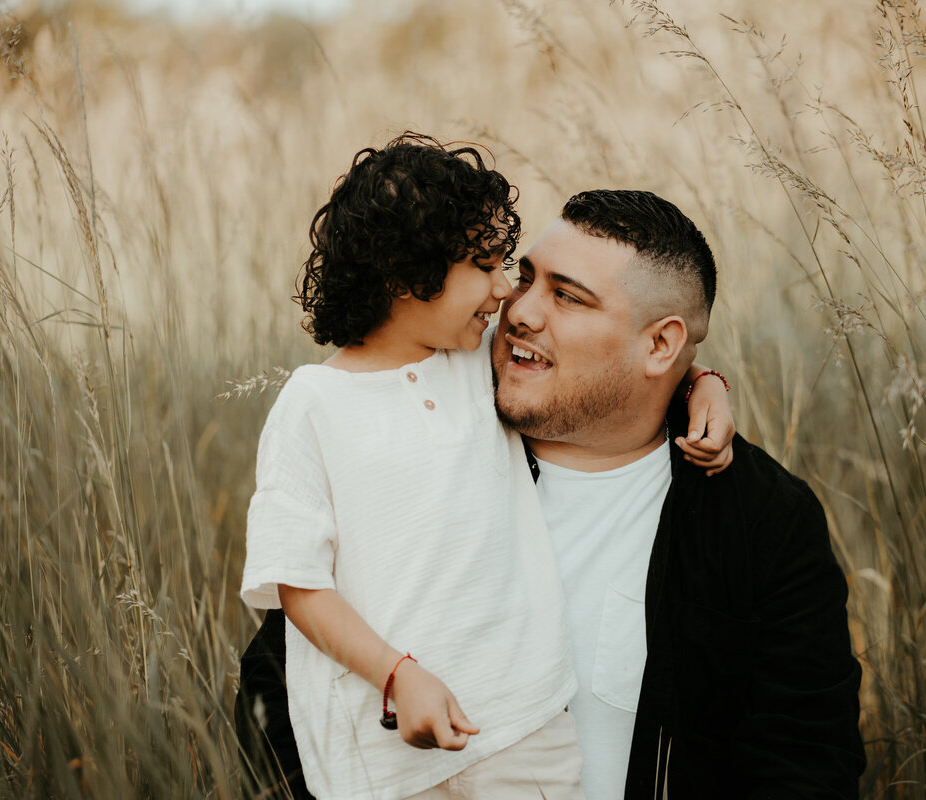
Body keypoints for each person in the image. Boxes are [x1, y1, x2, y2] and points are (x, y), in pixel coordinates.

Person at [236, 136, 734, 800]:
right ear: (402, 273)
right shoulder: (313, 406)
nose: (506, 295)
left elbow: (612, 361)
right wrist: (394, 674)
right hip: (383, 763)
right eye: (485, 265)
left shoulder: (474, 361)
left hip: (523, 730)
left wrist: (702, 382)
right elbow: (295, 579)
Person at [490, 189, 866, 797]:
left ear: (661, 345)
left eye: (566, 295)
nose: (519, 311)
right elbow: (290, 690)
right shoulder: (432, 451)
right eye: (524, 277)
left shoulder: (760, 518)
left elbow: (807, 760)